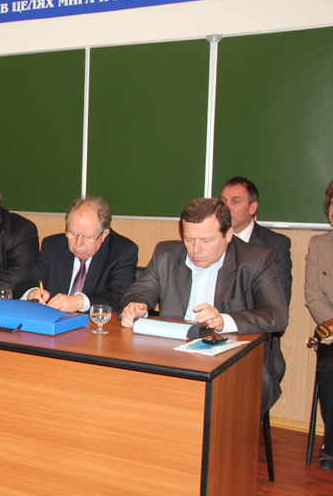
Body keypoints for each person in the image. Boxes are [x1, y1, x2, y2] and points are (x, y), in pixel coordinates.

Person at [119, 198, 289, 417]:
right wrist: (134, 306)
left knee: (221, 410)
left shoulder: (256, 260)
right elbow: (136, 294)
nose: (196, 249)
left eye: (206, 240)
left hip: (236, 360)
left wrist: (225, 321)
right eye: (189, 239)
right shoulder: (166, 254)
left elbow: (277, 315)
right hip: (171, 355)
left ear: (228, 235)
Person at [220, 176, 292, 418]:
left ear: (253, 207)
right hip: (209, 335)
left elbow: (278, 305)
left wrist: (229, 320)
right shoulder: (210, 240)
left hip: (255, 339)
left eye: (235, 201)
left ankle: (236, 431)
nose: (226, 207)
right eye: (222, 201)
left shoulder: (275, 245)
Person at [13, 196, 138, 312]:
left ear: (104, 234)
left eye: (88, 237)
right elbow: (24, 283)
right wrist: (32, 292)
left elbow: (121, 297)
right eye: (72, 233)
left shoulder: (122, 251)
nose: (78, 243)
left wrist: (79, 301)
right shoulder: (52, 246)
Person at [304, 179, 333, 470]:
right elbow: (313, 295)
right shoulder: (318, 245)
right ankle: (332, 443)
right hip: (332, 331)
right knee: (329, 368)